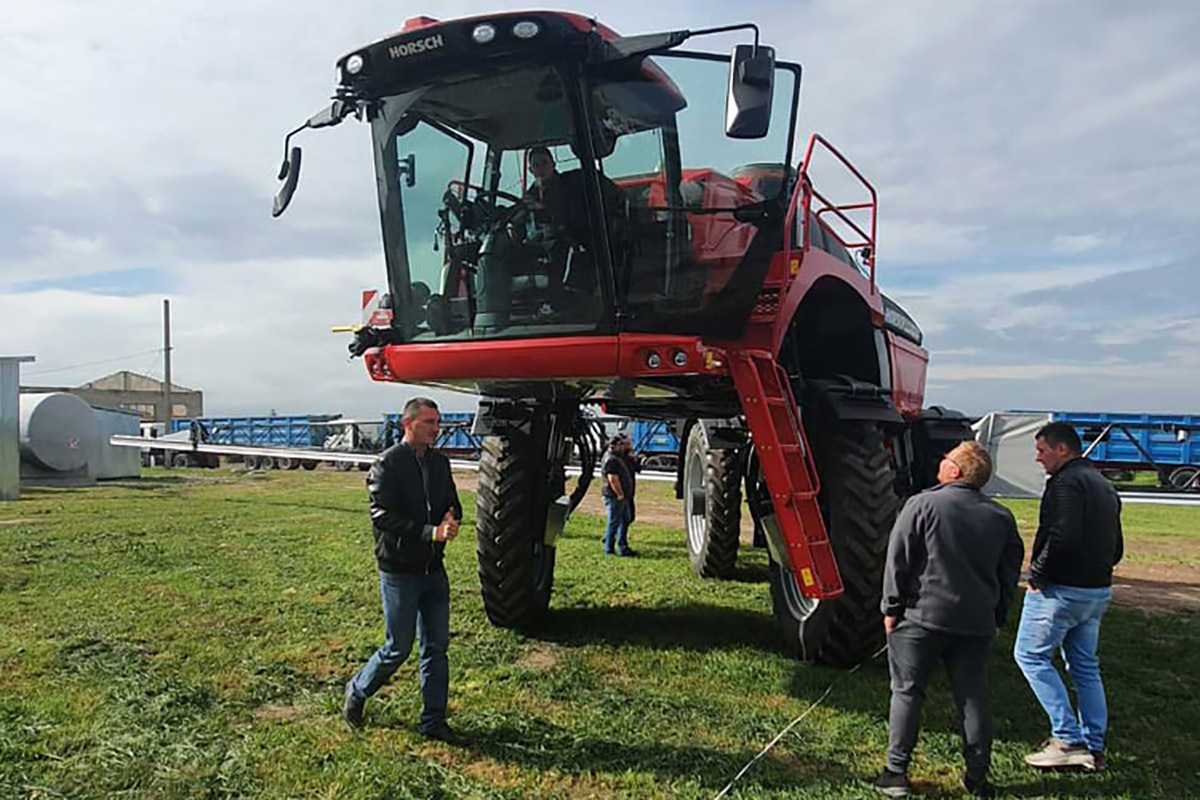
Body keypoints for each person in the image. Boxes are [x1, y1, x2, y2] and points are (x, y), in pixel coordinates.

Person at [874, 441, 1024, 798]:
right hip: (976, 622)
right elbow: (1009, 572)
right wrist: (998, 614)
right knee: (973, 697)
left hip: (921, 617)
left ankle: (896, 772)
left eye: (947, 458)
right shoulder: (1001, 517)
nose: (942, 462)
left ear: (955, 471)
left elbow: (898, 559)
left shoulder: (922, 504)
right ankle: (977, 776)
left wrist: (891, 608)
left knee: (907, 692)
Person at [343, 397, 464, 743]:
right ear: (408, 424)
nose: (436, 429)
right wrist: (429, 532)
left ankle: (433, 721)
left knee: (436, 648)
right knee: (398, 647)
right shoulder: (387, 464)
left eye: (438, 422)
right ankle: (358, 689)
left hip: (433, 570)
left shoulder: (440, 463)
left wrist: (451, 517)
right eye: (429, 422)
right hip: (400, 572)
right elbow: (381, 515)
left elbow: (452, 501)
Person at [1013, 421, 1123, 772]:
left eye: (1042, 450)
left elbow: (1062, 534)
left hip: (1061, 591)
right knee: (1086, 667)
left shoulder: (1064, 483)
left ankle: (1067, 740)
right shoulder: (1103, 484)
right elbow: (1117, 546)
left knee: (1030, 657)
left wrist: (1038, 574)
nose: (1038, 458)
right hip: (1097, 590)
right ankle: (1094, 746)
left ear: (1063, 449)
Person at [601, 434, 636, 557]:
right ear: (613, 446)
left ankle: (622, 545)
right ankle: (609, 548)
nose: (623, 447)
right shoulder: (611, 460)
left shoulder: (618, 457)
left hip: (622, 496)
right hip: (615, 496)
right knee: (614, 522)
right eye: (620, 445)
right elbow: (613, 479)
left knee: (625, 519)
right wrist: (620, 494)